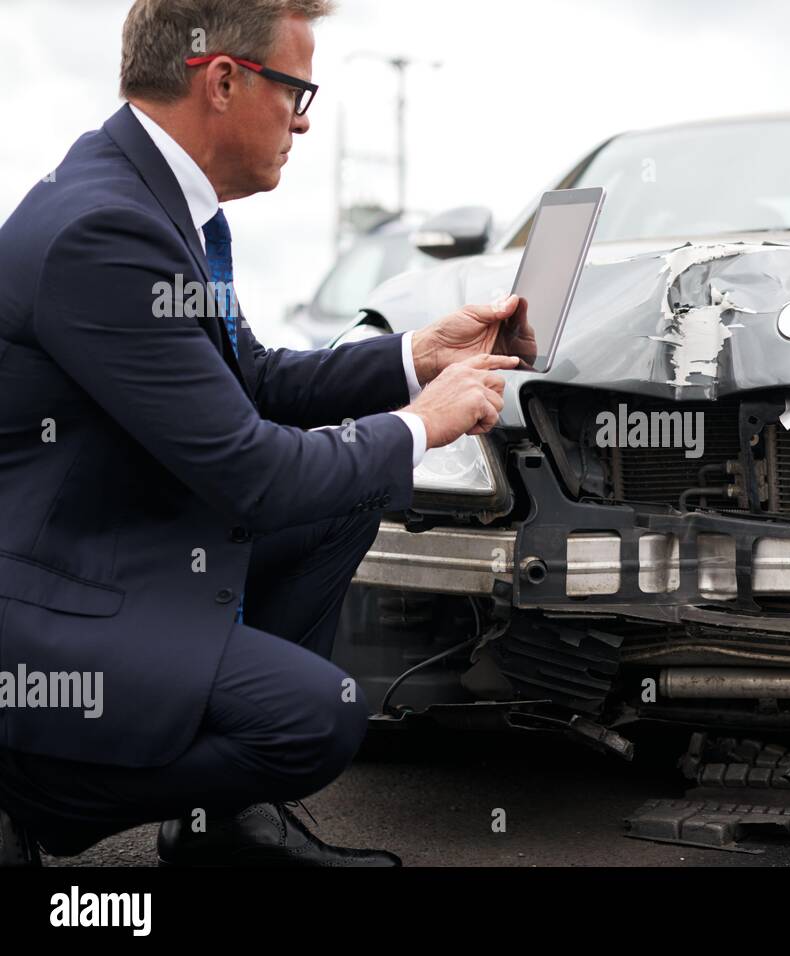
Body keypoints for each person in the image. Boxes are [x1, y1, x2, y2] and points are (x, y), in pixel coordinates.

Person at [0, 0, 523, 866]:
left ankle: (219, 828)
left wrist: (413, 356)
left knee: (346, 501)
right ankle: (34, 793)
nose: (305, 121)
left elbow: (255, 382)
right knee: (319, 720)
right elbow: (250, 474)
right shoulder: (109, 231)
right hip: (54, 605)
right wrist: (419, 428)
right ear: (226, 79)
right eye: (296, 90)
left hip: (117, 545)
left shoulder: (159, 201)